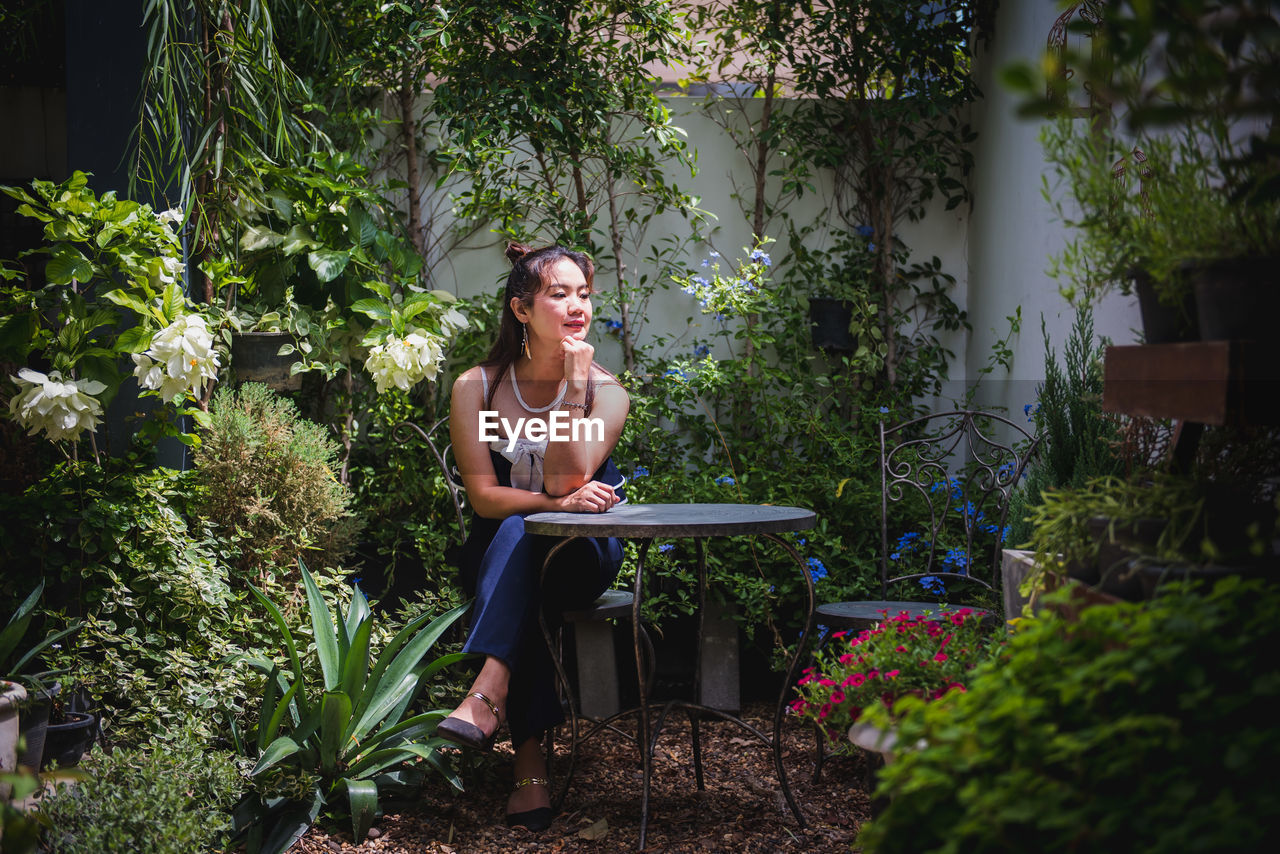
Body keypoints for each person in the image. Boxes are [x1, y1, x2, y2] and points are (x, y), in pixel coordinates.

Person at [439, 242, 629, 831]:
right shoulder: (479, 389)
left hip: (581, 554)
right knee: (521, 536)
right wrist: (555, 503)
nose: (577, 306)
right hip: (499, 551)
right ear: (522, 310)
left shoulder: (607, 393)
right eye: (558, 293)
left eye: (583, 293)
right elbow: (485, 498)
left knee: (536, 542)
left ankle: (488, 686)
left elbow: (568, 477)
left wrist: (572, 392)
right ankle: (528, 772)